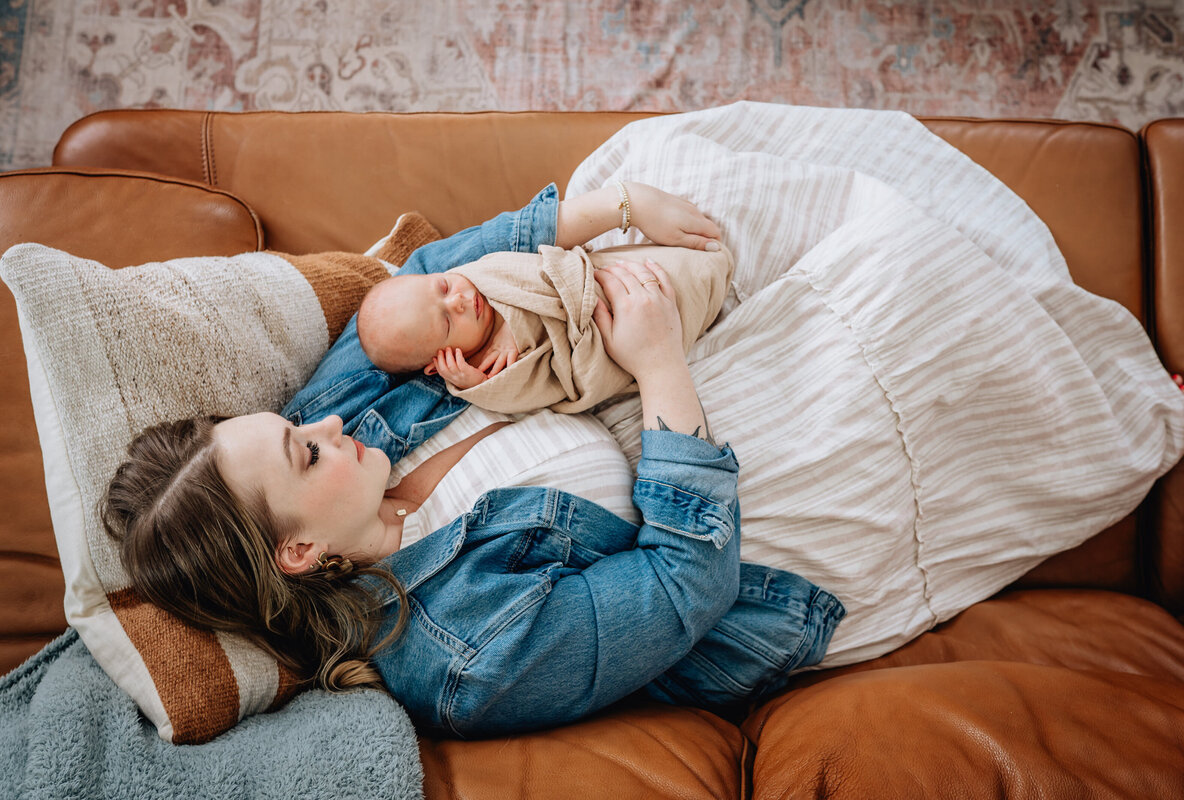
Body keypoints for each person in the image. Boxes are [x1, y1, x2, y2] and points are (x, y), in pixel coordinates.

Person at [102, 183, 844, 738]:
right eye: (307, 451)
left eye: (295, 425)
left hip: (634, 351)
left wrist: (618, 206)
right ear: (299, 550)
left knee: (737, 183)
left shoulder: (335, 422)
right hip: (729, 519)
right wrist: (655, 363)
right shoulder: (464, 657)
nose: (324, 419)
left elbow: (418, 284)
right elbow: (685, 584)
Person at [354, 216, 733, 414]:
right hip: (602, 344)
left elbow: (548, 266)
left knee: (661, 276)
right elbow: (538, 390)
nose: (459, 301)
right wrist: (473, 384)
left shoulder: (482, 273)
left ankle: (708, 271)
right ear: (439, 363)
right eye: (447, 322)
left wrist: (514, 321)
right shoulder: (486, 372)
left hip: (597, 286)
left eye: (442, 287)